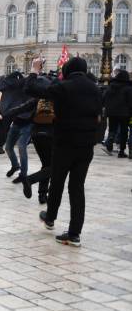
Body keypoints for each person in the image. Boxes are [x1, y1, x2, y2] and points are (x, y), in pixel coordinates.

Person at [25, 56, 102, 247]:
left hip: (64, 142)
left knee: (58, 181)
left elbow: (31, 88)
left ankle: (50, 218)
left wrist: (35, 69)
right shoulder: (95, 89)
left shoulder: (64, 86)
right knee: (77, 188)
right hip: (86, 146)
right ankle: (74, 234)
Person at [102, 69, 131, 158]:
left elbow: (104, 98)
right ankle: (121, 151)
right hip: (124, 113)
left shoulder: (111, 86)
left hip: (112, 113)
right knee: (123, 132)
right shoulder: (128, 88)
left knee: (112, 129)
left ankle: (109, 143)